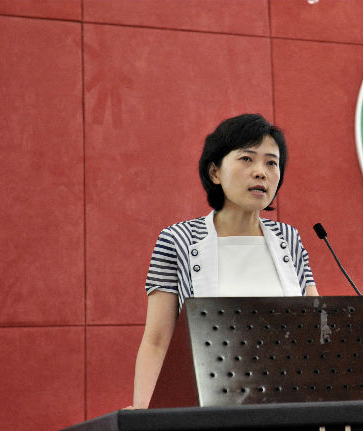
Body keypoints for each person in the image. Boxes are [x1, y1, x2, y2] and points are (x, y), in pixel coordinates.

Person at [132, 114, 318, 409]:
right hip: (208, 410)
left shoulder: (289, 240)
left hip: (288, 407)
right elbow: (157, 341)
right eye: (246, 159)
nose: (261, 172)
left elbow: (315, 331)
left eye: (271, 163)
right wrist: (145, 415)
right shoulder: (178, 240)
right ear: (215, 172)